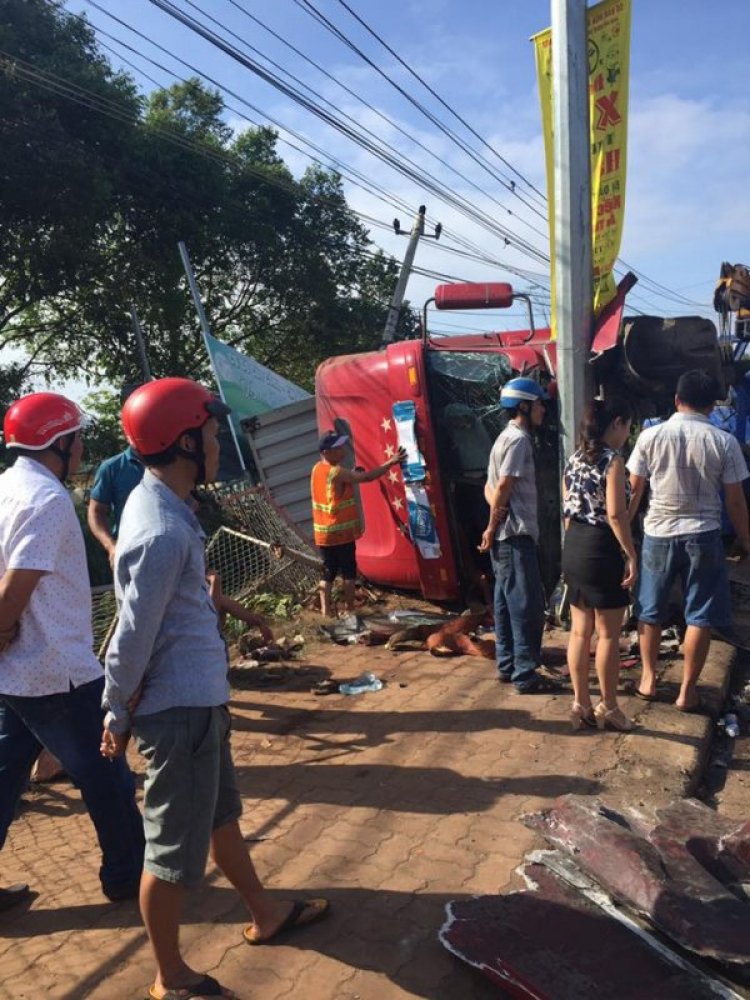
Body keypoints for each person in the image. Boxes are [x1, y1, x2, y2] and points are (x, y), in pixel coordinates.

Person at [102, 378, 328, 1000]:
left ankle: (265, 913)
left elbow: (155, 615)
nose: (217, 444)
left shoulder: (171, 509)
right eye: (207, 434)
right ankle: (171, 976)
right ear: (181, 442)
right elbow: (129, 635)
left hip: (198, 703)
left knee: (221, 817)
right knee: (172, 851)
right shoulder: (161, 530)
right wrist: (116, 710)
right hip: (177, 715)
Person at [0, 392, 144, 909]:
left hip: (14, 674)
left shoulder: (6, 488)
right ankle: (130, 876)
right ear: (60, 443)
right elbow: (17, 588)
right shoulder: (48, 499)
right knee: (106, 773)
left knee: (5, 777)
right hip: (55, 669)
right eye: (78, 438)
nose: (82, 446)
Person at [628, 370, 750, 712]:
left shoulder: (650, 437)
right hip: (704, 536)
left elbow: (634, 491)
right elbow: (736, 502)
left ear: (676, 400)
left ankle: (648, 680)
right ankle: (687, 692)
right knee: (700, 616)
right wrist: (747, 540)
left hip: (658, 535)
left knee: (650, 610)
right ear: (712, 405)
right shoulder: (724, 442)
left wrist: (622, 533)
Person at [479, 377, 560, 694]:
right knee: (527, 606)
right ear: (524, 406)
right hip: (514, 537)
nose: (543, 409)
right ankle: (525, 675)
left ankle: (508, 665)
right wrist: (492, 525)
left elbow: (490, 490)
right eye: (539, 403)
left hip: (505, 537)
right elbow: (501, 488)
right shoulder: (518, 441)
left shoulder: (502, 439)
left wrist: (493, 520)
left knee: (505, 602)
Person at [562, 397, 637, 732]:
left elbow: (567, 509)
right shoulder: (613, 461)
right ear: (616, 423)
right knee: (608, 635)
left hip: (574, 545)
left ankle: (580, 704)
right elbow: (617, 515)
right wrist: (630, 554)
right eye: (627, 427)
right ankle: (610, 707)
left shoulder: (574, 459)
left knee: (580, 631)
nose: (627, 433)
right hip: (601, 547)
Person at [311, 431, 405, 618]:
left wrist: (351, 476)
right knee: (348, 571)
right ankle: (350, 609)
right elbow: (368, 478)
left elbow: (333, 490)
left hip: (322, 532)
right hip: (340, 532)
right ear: (327, 452)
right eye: (338, 448)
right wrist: (391, 462)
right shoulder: (338, 472)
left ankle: (325, 612)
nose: (343, 451)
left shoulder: (317, 469)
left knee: (328, 571)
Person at [88, 442, 144, 566]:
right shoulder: (111, 468)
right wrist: (111, 546)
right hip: (129, 555)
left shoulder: (172, 463)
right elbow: (96, 512)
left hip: (173, 549)